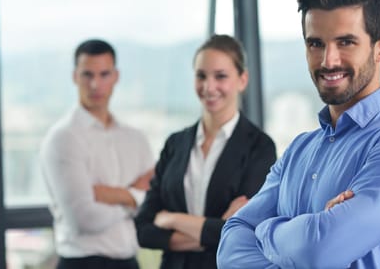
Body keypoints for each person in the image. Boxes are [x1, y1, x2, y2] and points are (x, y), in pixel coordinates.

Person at [217, 0, 380, 268]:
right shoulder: (298, 151)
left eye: (346, 42)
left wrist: (265, 229)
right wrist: (307, 232)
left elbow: (317, 252)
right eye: (316, 44)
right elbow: (230, 245)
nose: (328, 60)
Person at [134, 34, 277, 269]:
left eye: (220, 76)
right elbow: (144, 230)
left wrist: (172, 219)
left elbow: (244, 233)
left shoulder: (260, 148)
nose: (209, 87)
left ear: (242, 80)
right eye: (201, 76)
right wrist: (214, 229)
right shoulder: (175, 144)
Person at [40, 39, 155, 269]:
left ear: (116, 76)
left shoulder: (136, 139)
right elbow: (85, 219)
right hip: (81, 263)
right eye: (87, 75)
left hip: (129, 262)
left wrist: (113, 195)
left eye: (104, 74)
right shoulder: (63, 139)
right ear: (75, 77)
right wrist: (134, 195)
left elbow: (153, 205)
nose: (95, 84)